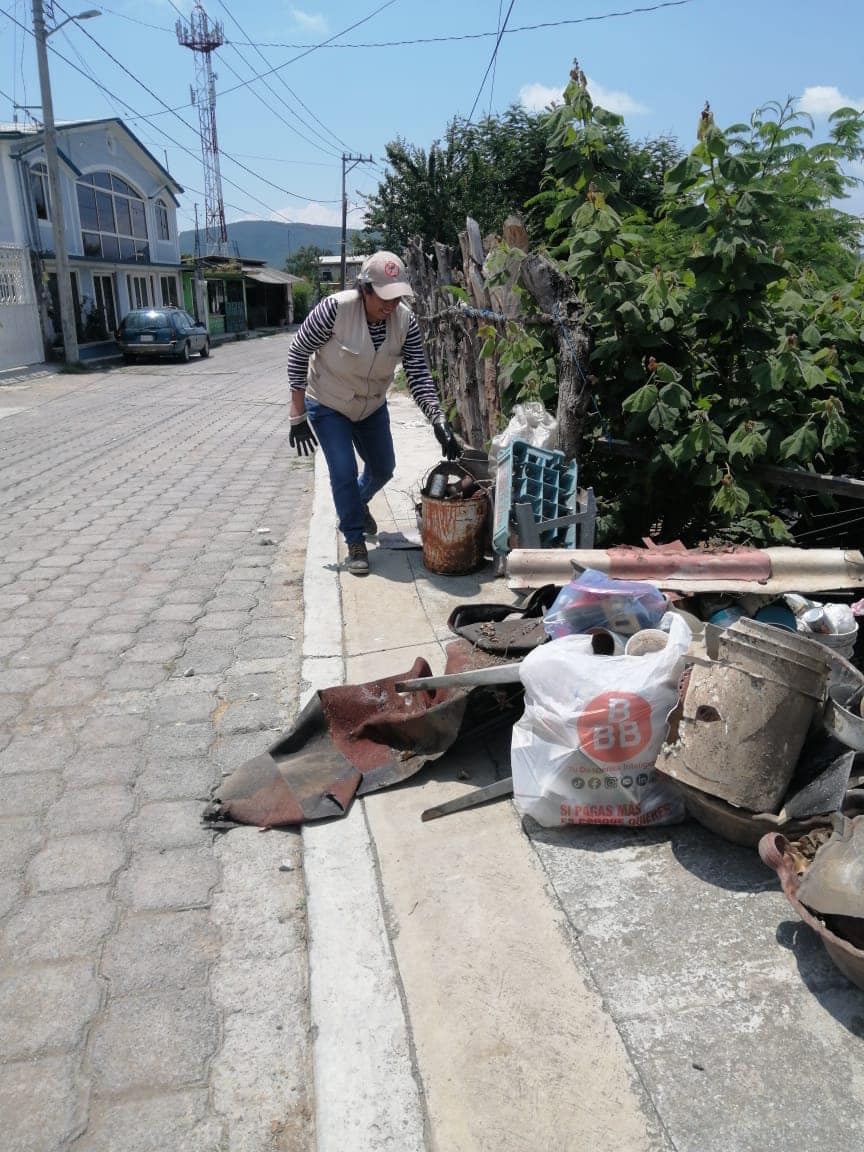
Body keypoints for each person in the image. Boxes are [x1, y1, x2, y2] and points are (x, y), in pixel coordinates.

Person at [286, 250, 460, 576]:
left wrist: (438, 420)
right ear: (365, 289)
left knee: (384, 468)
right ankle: (354, 540)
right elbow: (298, 352)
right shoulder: (334, 310)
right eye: (384, 297)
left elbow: (419, 374)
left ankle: (355, 503)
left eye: (397, 297)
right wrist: (297, 414)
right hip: (328, 403)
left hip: (372, 406)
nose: (391, 305)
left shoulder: (406, 321)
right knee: (343, 470)